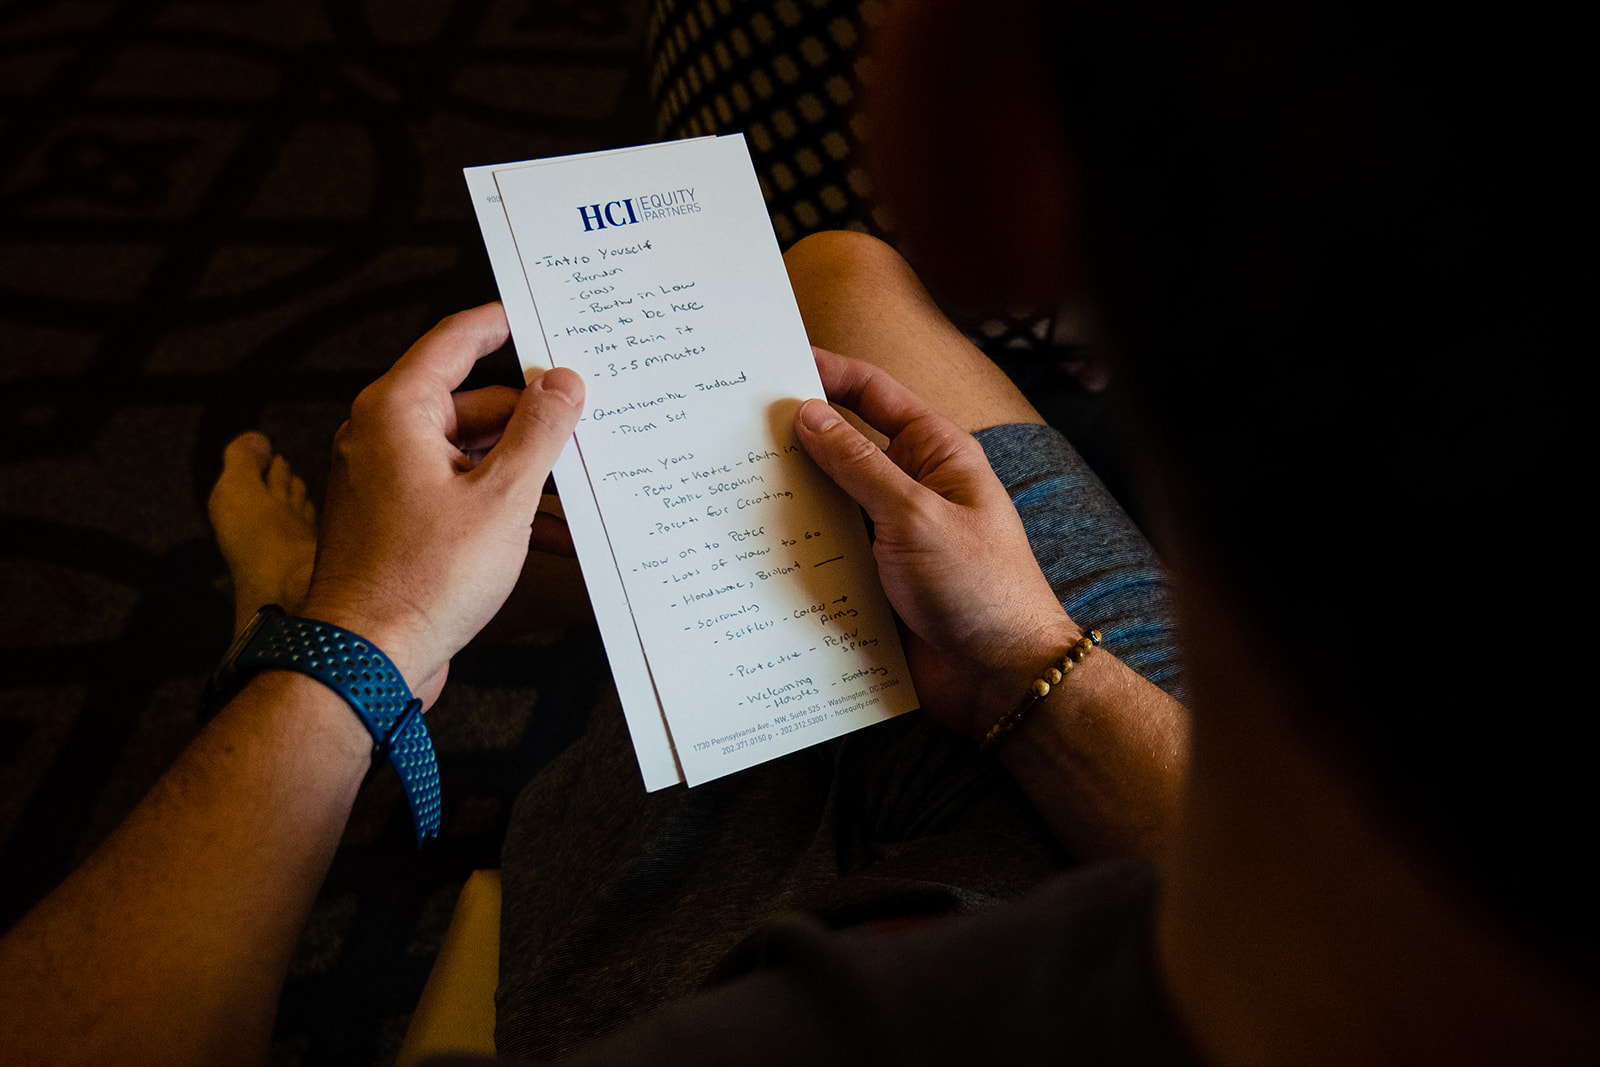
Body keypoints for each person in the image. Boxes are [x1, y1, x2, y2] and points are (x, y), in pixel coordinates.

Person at [2, 3, 1595, 1065]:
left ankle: (333, 663)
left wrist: (350, 643)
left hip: (753, 925)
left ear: (971, 145)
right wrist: (1033, 669)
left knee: (824, 321)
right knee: (826, 324)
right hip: (1082, 738)